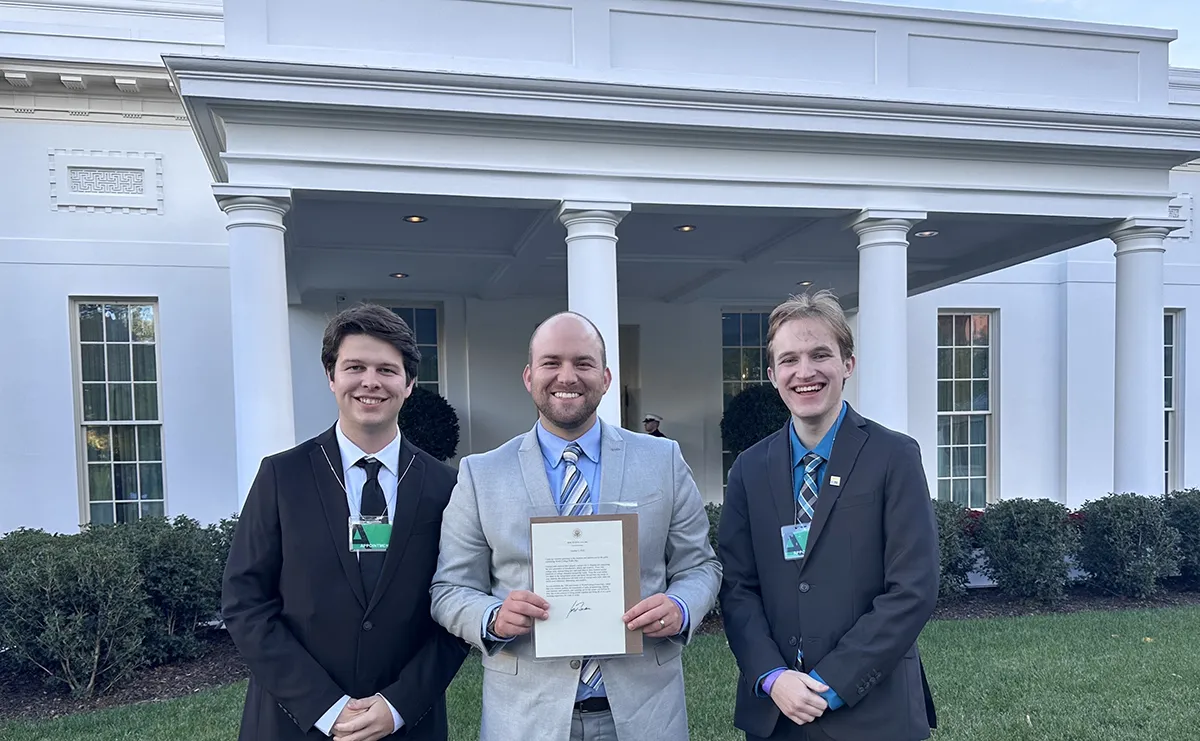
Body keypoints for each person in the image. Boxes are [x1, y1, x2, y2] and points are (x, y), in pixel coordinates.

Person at [430, 311, 721, 741]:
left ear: (605, 378)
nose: (567, 376)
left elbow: (701, 567)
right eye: (551, 362)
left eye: (583, 363)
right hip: (527, 716)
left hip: (645, 714)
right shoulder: (481, 475)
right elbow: (448, 590)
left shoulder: (662, 461)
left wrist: (680, 607)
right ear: (529, 377)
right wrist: (493, 617)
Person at [221, 304, 469, 741]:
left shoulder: (448, 487)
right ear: (331, 377)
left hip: (406, 725)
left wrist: (398, 706)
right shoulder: (282, 476)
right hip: (292, 722)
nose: (370, 382)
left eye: (386, 370)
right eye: (354, 366)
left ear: (409, 384)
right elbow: (246, 602)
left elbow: (458, 607)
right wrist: (325, 707)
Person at [717, 290, 939, 741]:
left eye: (821, 354)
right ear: (772, 374)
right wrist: (773, 677)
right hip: (777, 714)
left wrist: (831, 683)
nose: (805, 372)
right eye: (789, 359)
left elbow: (913, 588)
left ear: (847, 365)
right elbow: (738, 587)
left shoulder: (893, 456)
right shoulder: (748, 469)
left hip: (873, 712)